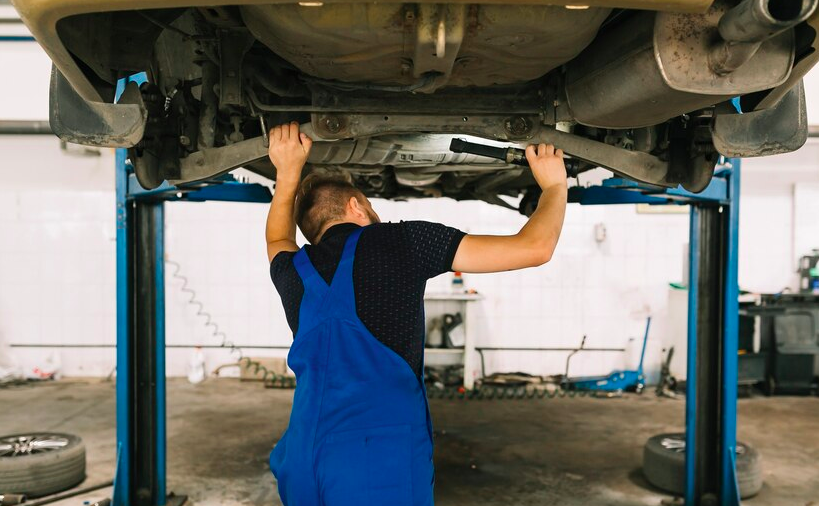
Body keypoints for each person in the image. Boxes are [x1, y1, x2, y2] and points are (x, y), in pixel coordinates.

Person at [265, 121, 567, 506]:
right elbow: (534, 247)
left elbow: (277, 238)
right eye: (371, 208)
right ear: (356, 206)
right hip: (375, 459)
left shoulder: (294, 272)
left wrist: (286, 171)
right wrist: (555, 186)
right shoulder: (401, 241)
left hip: (302, 457)